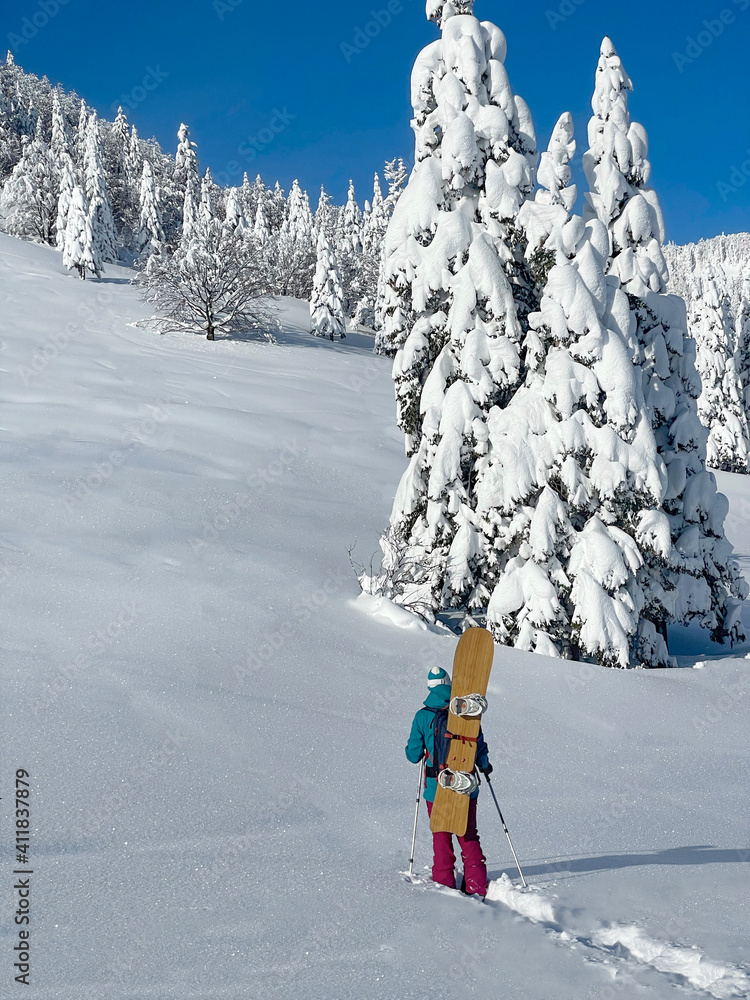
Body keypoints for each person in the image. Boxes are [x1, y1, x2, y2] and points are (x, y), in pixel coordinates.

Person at [405, 666, 491, 897]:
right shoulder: (464, 711)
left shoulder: (422, 716)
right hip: (467, 786)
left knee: (441, 835)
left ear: (430, 687)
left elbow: (413, 755)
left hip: (437, 788)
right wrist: (485, 765)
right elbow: (478, 744)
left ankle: (444, 884)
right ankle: (477, 884)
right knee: (468, 834)